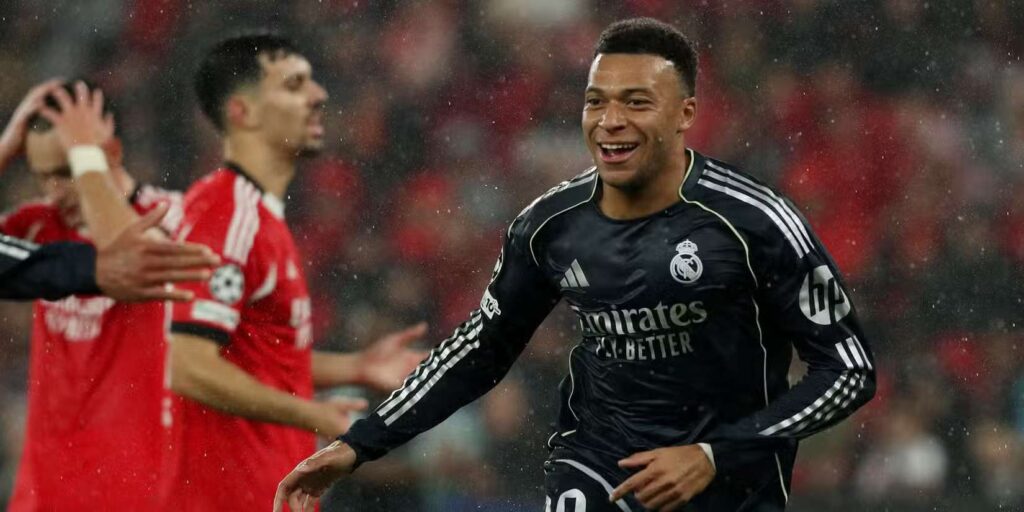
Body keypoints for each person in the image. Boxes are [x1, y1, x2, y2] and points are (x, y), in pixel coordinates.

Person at [276, 18, 877, 512]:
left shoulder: (755, 221)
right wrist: (357, 445)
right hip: (595, 468)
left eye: (636, 102)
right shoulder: (549, 226)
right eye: (596, 102)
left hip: (729, 486)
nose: (610, 121)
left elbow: (849, 369)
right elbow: (480, 350)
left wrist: (717, 453)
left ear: (685, 113)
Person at [161, 33, 427, 511]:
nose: (318, 95)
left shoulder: (260, 218)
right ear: (243, 112)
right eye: (294, 85)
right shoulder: (227, 214)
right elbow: (189, 366)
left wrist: (355, 367)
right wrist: (308, 412)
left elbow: (254, 362)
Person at [0, 80, 208, 510]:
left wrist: (87, 159)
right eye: (42, 175)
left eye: (65, 171)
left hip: (134, 492)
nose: (54, 191)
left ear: (110, 151)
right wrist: (5, 147)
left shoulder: (172, 213)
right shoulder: (38, 224)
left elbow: (144, 259)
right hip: (44, 494)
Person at [0, 205, 217, 301]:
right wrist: (94, 268)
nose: (58, 192)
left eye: (66, 173)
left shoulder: (154, 210)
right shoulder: (36, 219)